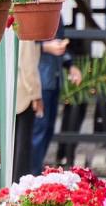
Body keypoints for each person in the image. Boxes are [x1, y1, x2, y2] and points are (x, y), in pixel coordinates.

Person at [30, 33, 83, 175]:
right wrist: (45, 47)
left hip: (54, 80)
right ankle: (31, 175)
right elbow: (23, 46)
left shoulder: (58, 15)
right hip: (39, 81)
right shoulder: (32, 12)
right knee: (38, 131)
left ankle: (35, 173)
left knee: (47, 129)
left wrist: (71, 66)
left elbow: (60, 44)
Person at [12, 33, 43, 183]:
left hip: (11, 92)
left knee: (14, 143)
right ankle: (18, 184)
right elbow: (28, 65)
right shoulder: (26, 27)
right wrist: (36, 94)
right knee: (22, 144)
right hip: (23, 93)